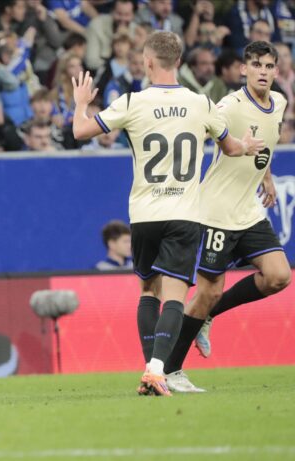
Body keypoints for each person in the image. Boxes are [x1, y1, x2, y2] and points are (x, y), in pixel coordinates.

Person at [71, 31, 264, 397]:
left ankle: (152, 372)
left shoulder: (133, 101)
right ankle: (157, 370)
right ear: (179, 61)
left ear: (147, 62)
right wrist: (246, 145)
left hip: (145, 214)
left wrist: (81, 103)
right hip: (184, 213)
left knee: (148, 290)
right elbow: (231, 148)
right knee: (175, 297)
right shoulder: (201, 103)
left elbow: (80, 130)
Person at [163, 41, 291, 393]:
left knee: (279, 276)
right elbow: (198, 128)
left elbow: (265, 144)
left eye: (269, 66)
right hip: (215, 213)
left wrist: (265, 177)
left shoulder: (279, 102)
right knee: (208, 292)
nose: (263, 71)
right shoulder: (230, 106)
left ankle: (207, 316)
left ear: (276, 71)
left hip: (247, 211)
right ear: (243, 70)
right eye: (256, 65)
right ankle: (170, 371)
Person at [84, 0, 137, 71]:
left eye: (127, 15)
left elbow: (139, 60)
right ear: (112, 12)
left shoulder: (135, 29)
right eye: (119, 14)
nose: (123, 19)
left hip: (129, 73)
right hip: (101, 72)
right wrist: (114, 39)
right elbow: (91, 62)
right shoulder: (96, 25)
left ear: (133, 15)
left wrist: (127, 38)